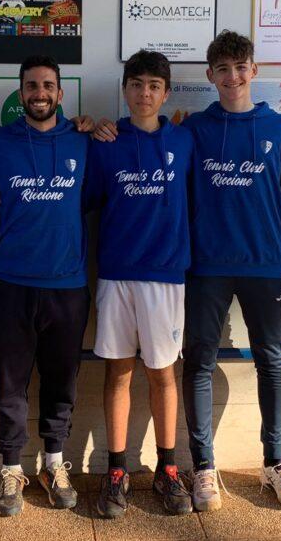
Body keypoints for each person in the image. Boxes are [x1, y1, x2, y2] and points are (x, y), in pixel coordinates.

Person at [180, 30, 281, 511]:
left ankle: (276, 463)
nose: (232, 77)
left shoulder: (280, 129)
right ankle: (204, 469)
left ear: (254, 71)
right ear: (209, 76)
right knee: (198, 362)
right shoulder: (193, 129)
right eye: (223, 69)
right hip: (207, 267)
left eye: (241, 67)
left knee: (270, 362)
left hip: (264, 265)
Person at [85, 50, 194, 519]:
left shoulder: (186, 139)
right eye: (136, 84)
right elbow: (84, 198)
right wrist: (84, 125)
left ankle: (168, 470)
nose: (145, 93)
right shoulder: (105, 141)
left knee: (163, 372)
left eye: (154, 85)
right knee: (118, 372)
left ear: (165, 93)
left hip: (165, 277)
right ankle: (117, 470)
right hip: (115, 275)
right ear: (125, 89)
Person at [0, 55, 91, 517]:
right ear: (20, 93)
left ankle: (52, 463)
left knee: (61, 380)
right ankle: (11, 468)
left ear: (61, 94)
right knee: (9, 383)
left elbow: (101, 199)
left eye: (48, 85)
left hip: (67, 285)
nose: (39, 93)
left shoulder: (86, 143)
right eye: (31, 86)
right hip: (8, 283)